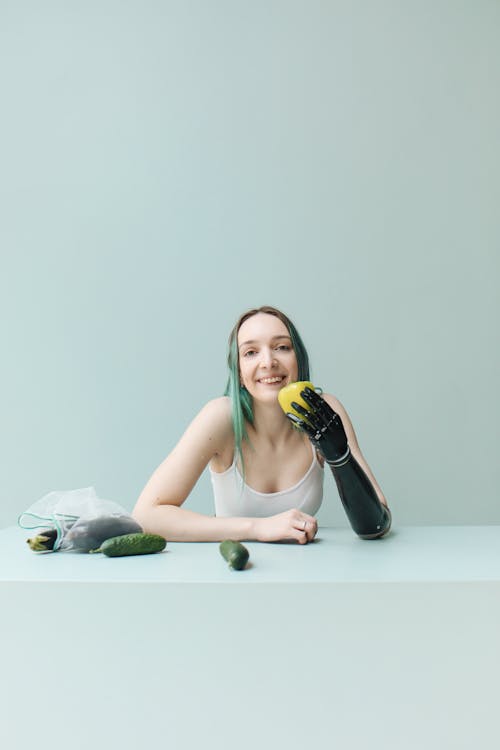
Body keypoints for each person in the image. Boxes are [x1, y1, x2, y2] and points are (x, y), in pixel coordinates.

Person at [132, 305, 392, 543]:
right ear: (240, 373)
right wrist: (258, 528)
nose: (268, 362)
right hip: (236, 572)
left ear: (298, 360)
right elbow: (146, 516)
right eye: (251, 352)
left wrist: (340, 457)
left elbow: (377, 524)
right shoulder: (221, 416)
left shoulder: (323, 412)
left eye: (282, 347)